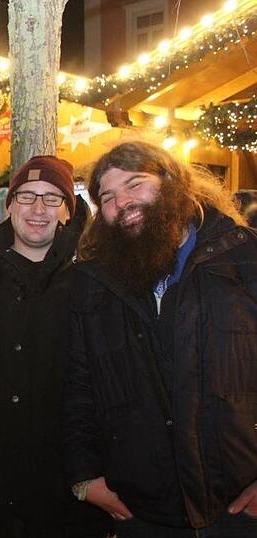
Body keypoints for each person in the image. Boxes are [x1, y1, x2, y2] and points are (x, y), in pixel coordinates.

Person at [65, 141, 257, 536]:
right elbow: (77, 384)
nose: (124, 202)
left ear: (172, 181)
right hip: (143, 511)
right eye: (109, 197)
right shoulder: (95, 283)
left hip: (240, 506)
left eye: (136, 184)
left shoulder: (243, 256)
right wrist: (85, 477)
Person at [0, 156, 110, 537]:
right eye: (27, 196)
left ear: (66, 209)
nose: (38, 209)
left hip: (69, 481)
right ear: (10, 203)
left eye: (51, 198)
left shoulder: (92, 277)